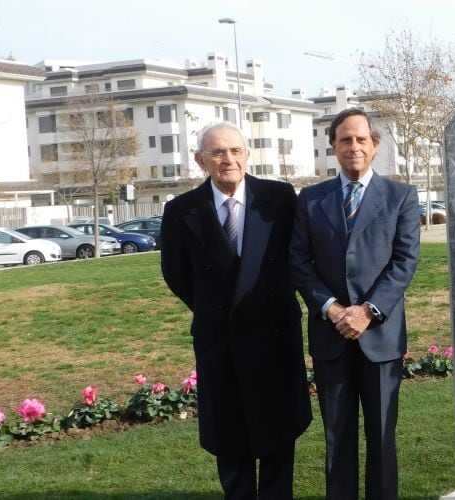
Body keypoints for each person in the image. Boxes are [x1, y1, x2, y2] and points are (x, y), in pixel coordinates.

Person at [160, 122, 311, 499]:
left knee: (277, 433)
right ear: (201, 161)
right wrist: (213, 308)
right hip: (219, 339)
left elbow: (298, 259)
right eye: (218, 152)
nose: (229, 159)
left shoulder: (279, 198)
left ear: (247, 155)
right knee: (229, 436)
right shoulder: (181, 210)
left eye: (236, 150)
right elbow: (176, 272)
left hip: (274, 335)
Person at [289, 108, 420, 500]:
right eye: (345, 139)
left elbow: (405, 261)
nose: (354, 146)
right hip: (331, 337)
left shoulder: (401, 196)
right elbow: (298, 261)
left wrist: (367, 311)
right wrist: (330, 308)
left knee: (382, 439)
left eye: (361, 139)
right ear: (333, 146)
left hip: (379, 338)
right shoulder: (311, 199)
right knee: (337, 439)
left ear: (375, 145)